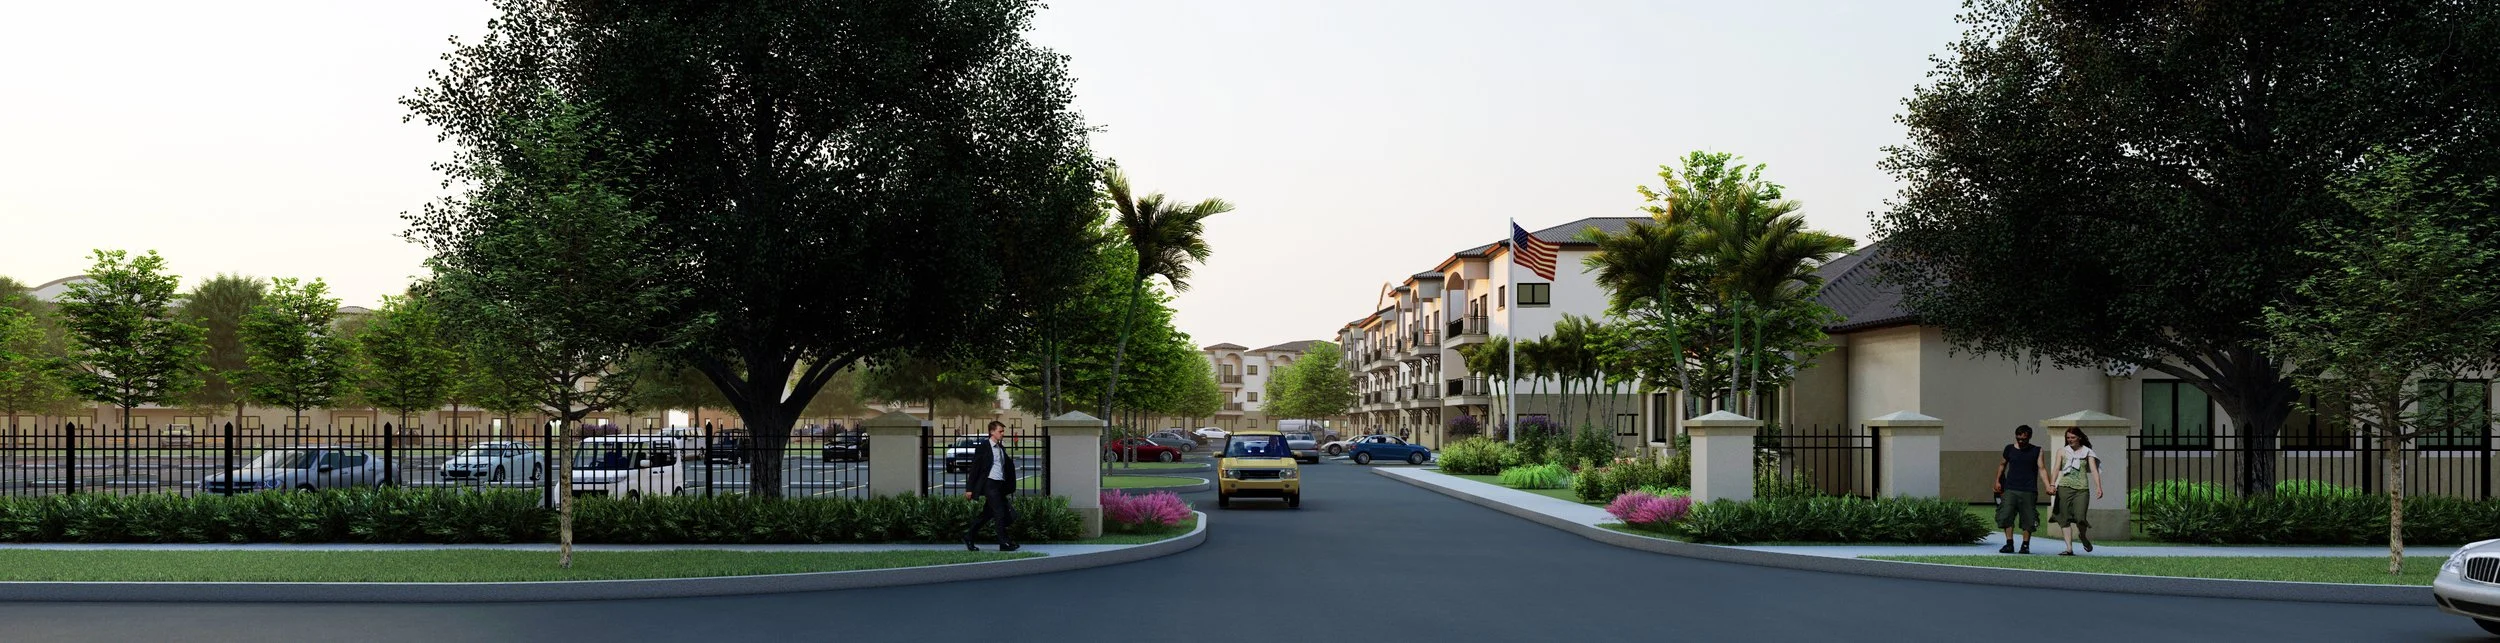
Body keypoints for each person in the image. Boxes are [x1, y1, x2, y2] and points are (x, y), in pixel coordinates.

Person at [963, 420, 1019, 552]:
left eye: (1003, 431)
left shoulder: (1000, 448)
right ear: (992, 432)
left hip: (1000, 485)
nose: (1002, 434)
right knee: (999, 513)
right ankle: (1003, 543)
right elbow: (975, 468)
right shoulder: (983, 446)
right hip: (990, 484)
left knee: (988, 514)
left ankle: (968, 536)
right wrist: (969, 489)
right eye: (1000, 431)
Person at [1994, 425, 2049, 554]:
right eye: (2018, 438)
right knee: (2005, 515)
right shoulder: (2009, 449)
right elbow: (2002, 465)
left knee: (2029, 518)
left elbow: (2042, 469)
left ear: (2029, 437)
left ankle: (2025, 545)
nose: (2021, 441)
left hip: (2028, 489)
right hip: (2010, 488)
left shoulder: (2037, 450)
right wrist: (1997, 481)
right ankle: (2009, 543)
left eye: (2024, 439)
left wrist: (2048, 485)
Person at [2049, 427, 2103, 555]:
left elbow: (2094, 470)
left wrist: (2098, 487)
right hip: (2064, 487)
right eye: (2068, 438)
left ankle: (2083, 536)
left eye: (2073, 437)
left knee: (2080, 518)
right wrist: (2052, 484)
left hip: (2081, 489)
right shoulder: (2062, 451)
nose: (2070, 440)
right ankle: (2069, 548)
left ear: (2079, 438)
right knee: (2064, 518)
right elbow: (2056, 468)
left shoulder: (2087, 452)